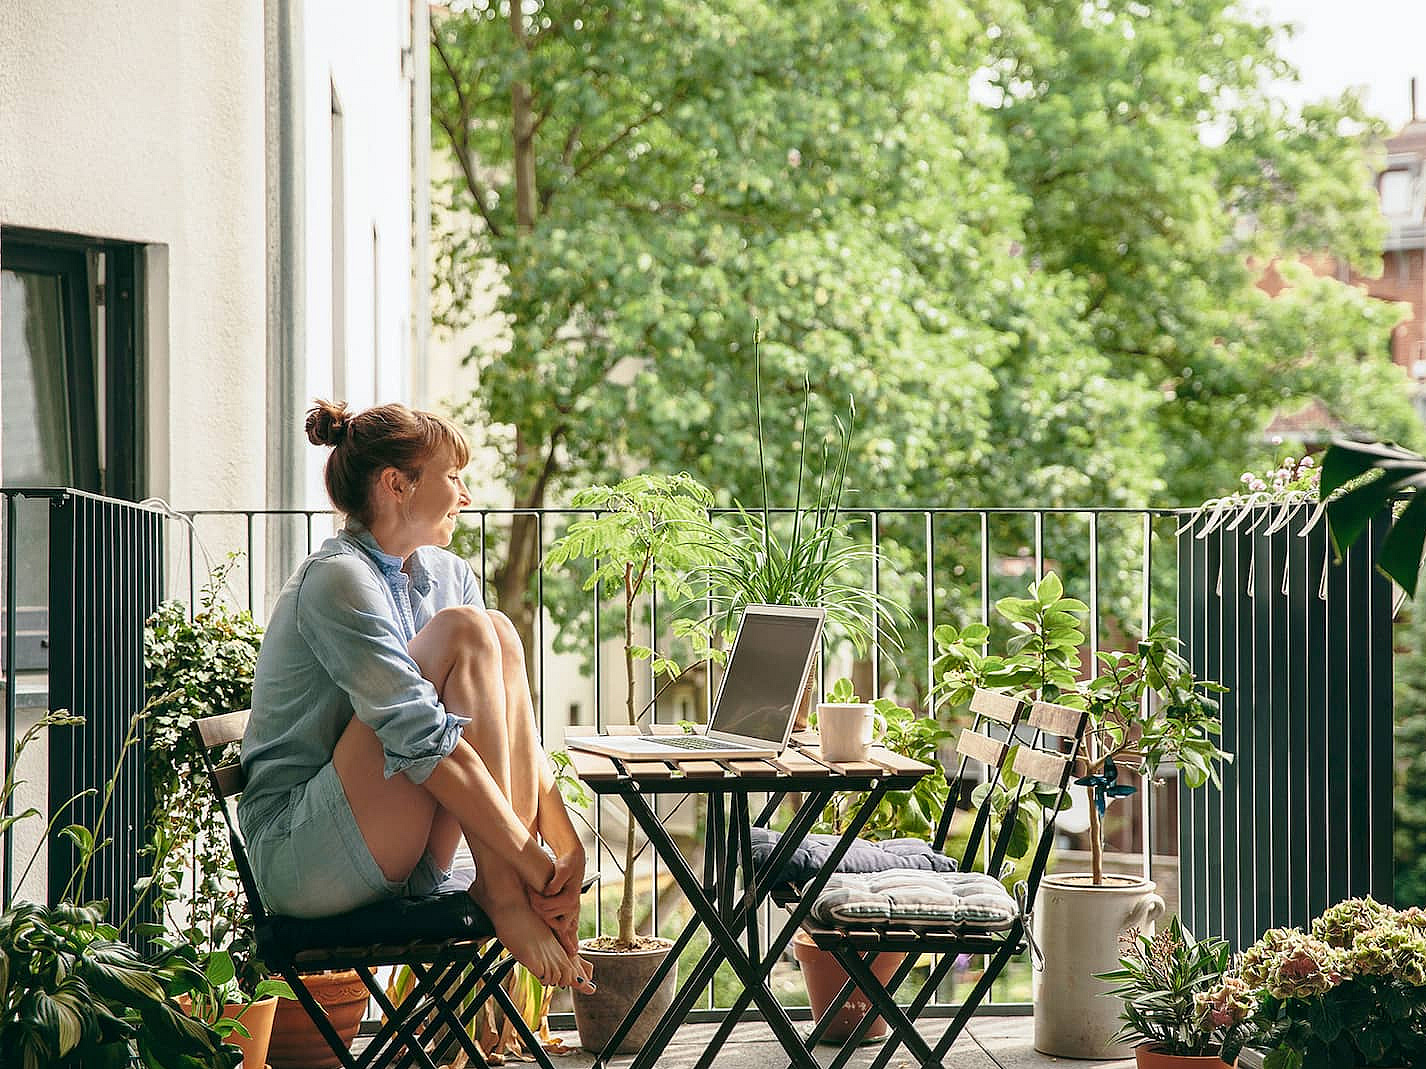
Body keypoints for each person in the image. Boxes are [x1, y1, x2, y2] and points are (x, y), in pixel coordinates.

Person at [237, 400, 593, 992]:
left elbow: (505, 727)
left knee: (496, 631)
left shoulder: (447, 575)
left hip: (397, 843)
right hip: (305, 856)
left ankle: (506, 886)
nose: (466, 494)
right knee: (468, 631)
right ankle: (503, 893)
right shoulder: (337, 579)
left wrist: (564, 846)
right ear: (397, 485)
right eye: (453, 477)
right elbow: (423, 740)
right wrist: (530, 869)